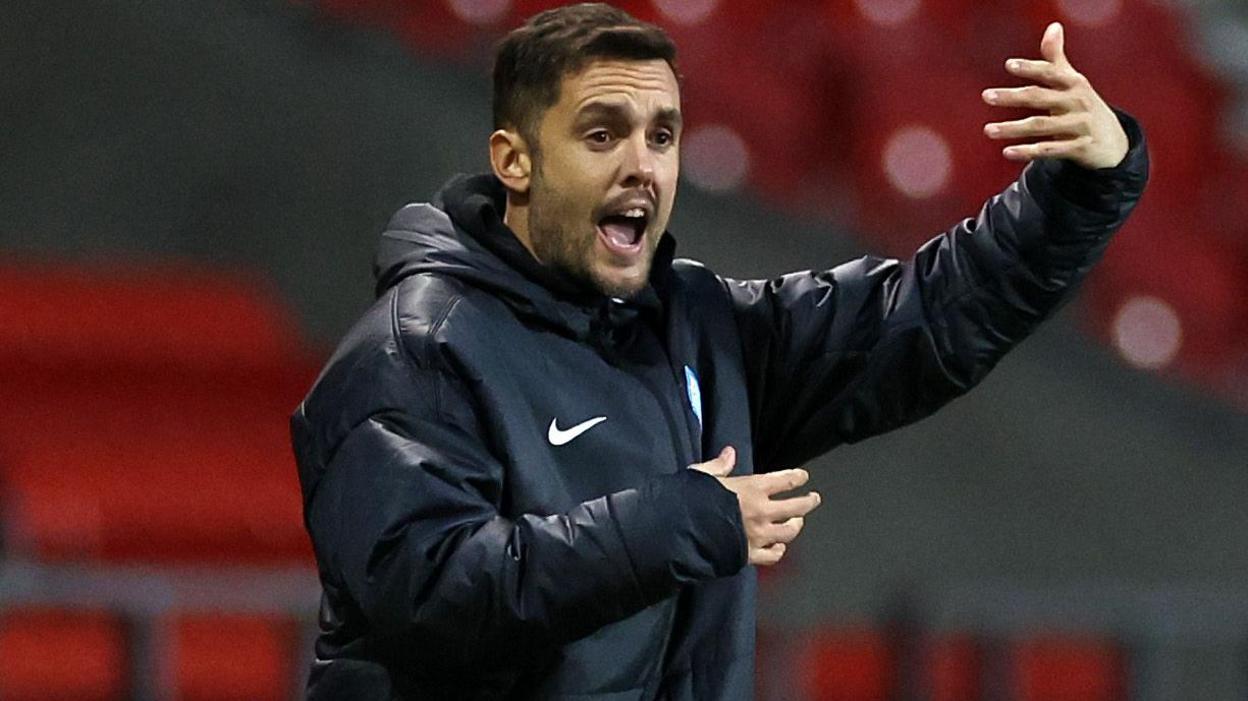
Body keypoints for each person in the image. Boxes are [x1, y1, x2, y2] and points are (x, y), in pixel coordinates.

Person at [290, 3, 1148, 699]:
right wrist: (676, 519)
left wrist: (1080, 190)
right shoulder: (416, 350)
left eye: (662, 136)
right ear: (513, 160)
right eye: (602, 135)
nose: (643, 167)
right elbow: (428, 594)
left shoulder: (697, 325)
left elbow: (920, 316)